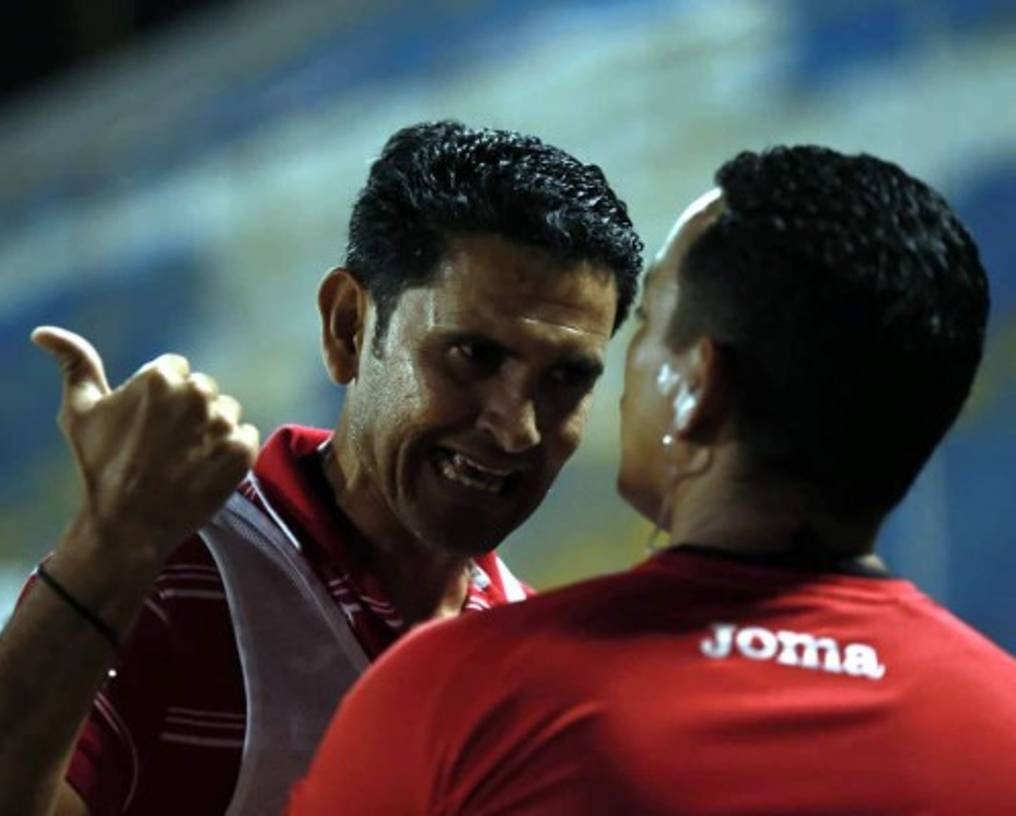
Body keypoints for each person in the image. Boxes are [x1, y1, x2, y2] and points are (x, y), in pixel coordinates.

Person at [0, 120, 645, 815]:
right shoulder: (169, 574)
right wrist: (108, 551)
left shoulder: (530, 657)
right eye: (473, 355)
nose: (515, 426)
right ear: (347, 326)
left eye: (565, 379)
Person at [289, 145, 1016, 814]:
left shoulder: (464, 696)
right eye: (474, 356)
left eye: (648, 322)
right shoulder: (1001, 722)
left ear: (697, 383)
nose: (519, 426)